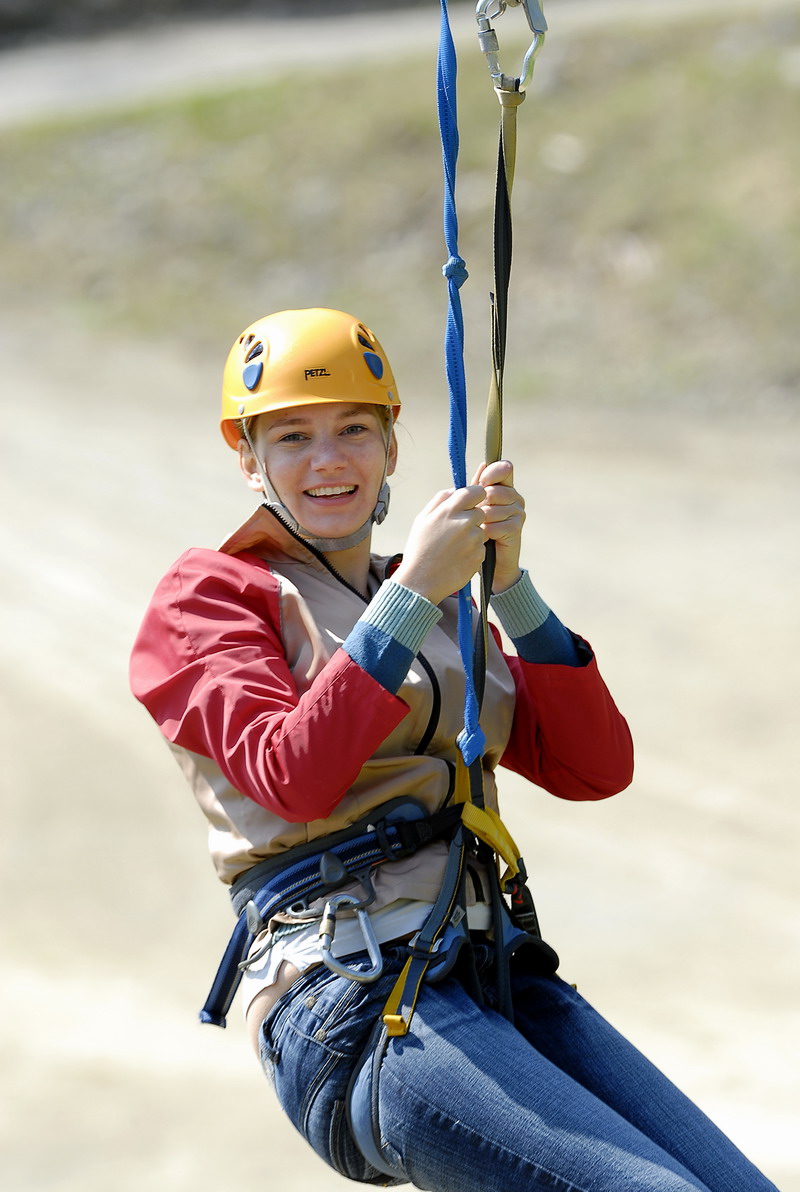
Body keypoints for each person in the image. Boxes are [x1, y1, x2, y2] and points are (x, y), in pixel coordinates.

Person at [130, 307, 776, 1192]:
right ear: (248, 460)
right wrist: (412, 593)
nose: (329, 459)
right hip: (352, 997)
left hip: (491, 969)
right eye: (292, 437)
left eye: (355, 429)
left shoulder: (438, 604)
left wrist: (508, 588)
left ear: (392, 447)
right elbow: (292, 775)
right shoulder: (210, 597)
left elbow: (594, 768)